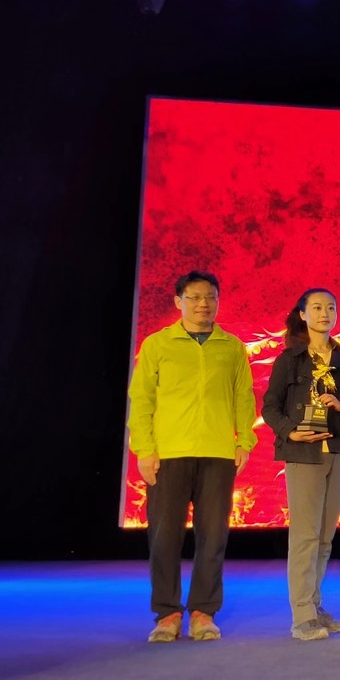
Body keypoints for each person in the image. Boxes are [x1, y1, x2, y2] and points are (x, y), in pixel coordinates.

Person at [127, 271, 257, 643]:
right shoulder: (158, 344)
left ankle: (203, 612)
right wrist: (145, 450)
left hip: (218, 453)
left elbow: (244, 396)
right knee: (164, 538)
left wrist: (244, 441)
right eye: (195, 297)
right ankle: (167, 614)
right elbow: (142, 399)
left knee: (213, 537)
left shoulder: (231, 346)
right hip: (169, 454)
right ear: (178, 301)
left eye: (210, 297)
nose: (203, 304)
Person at [261, 288, 340, 641]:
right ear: (303, 314)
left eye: (330, 307)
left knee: (324, 537)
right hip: (304, 453)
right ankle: (302, 614)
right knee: (305, 535)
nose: (325, 313)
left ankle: (315, 605)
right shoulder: (289, 359)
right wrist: (290, 432)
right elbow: (270, 407)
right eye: (317, 307)